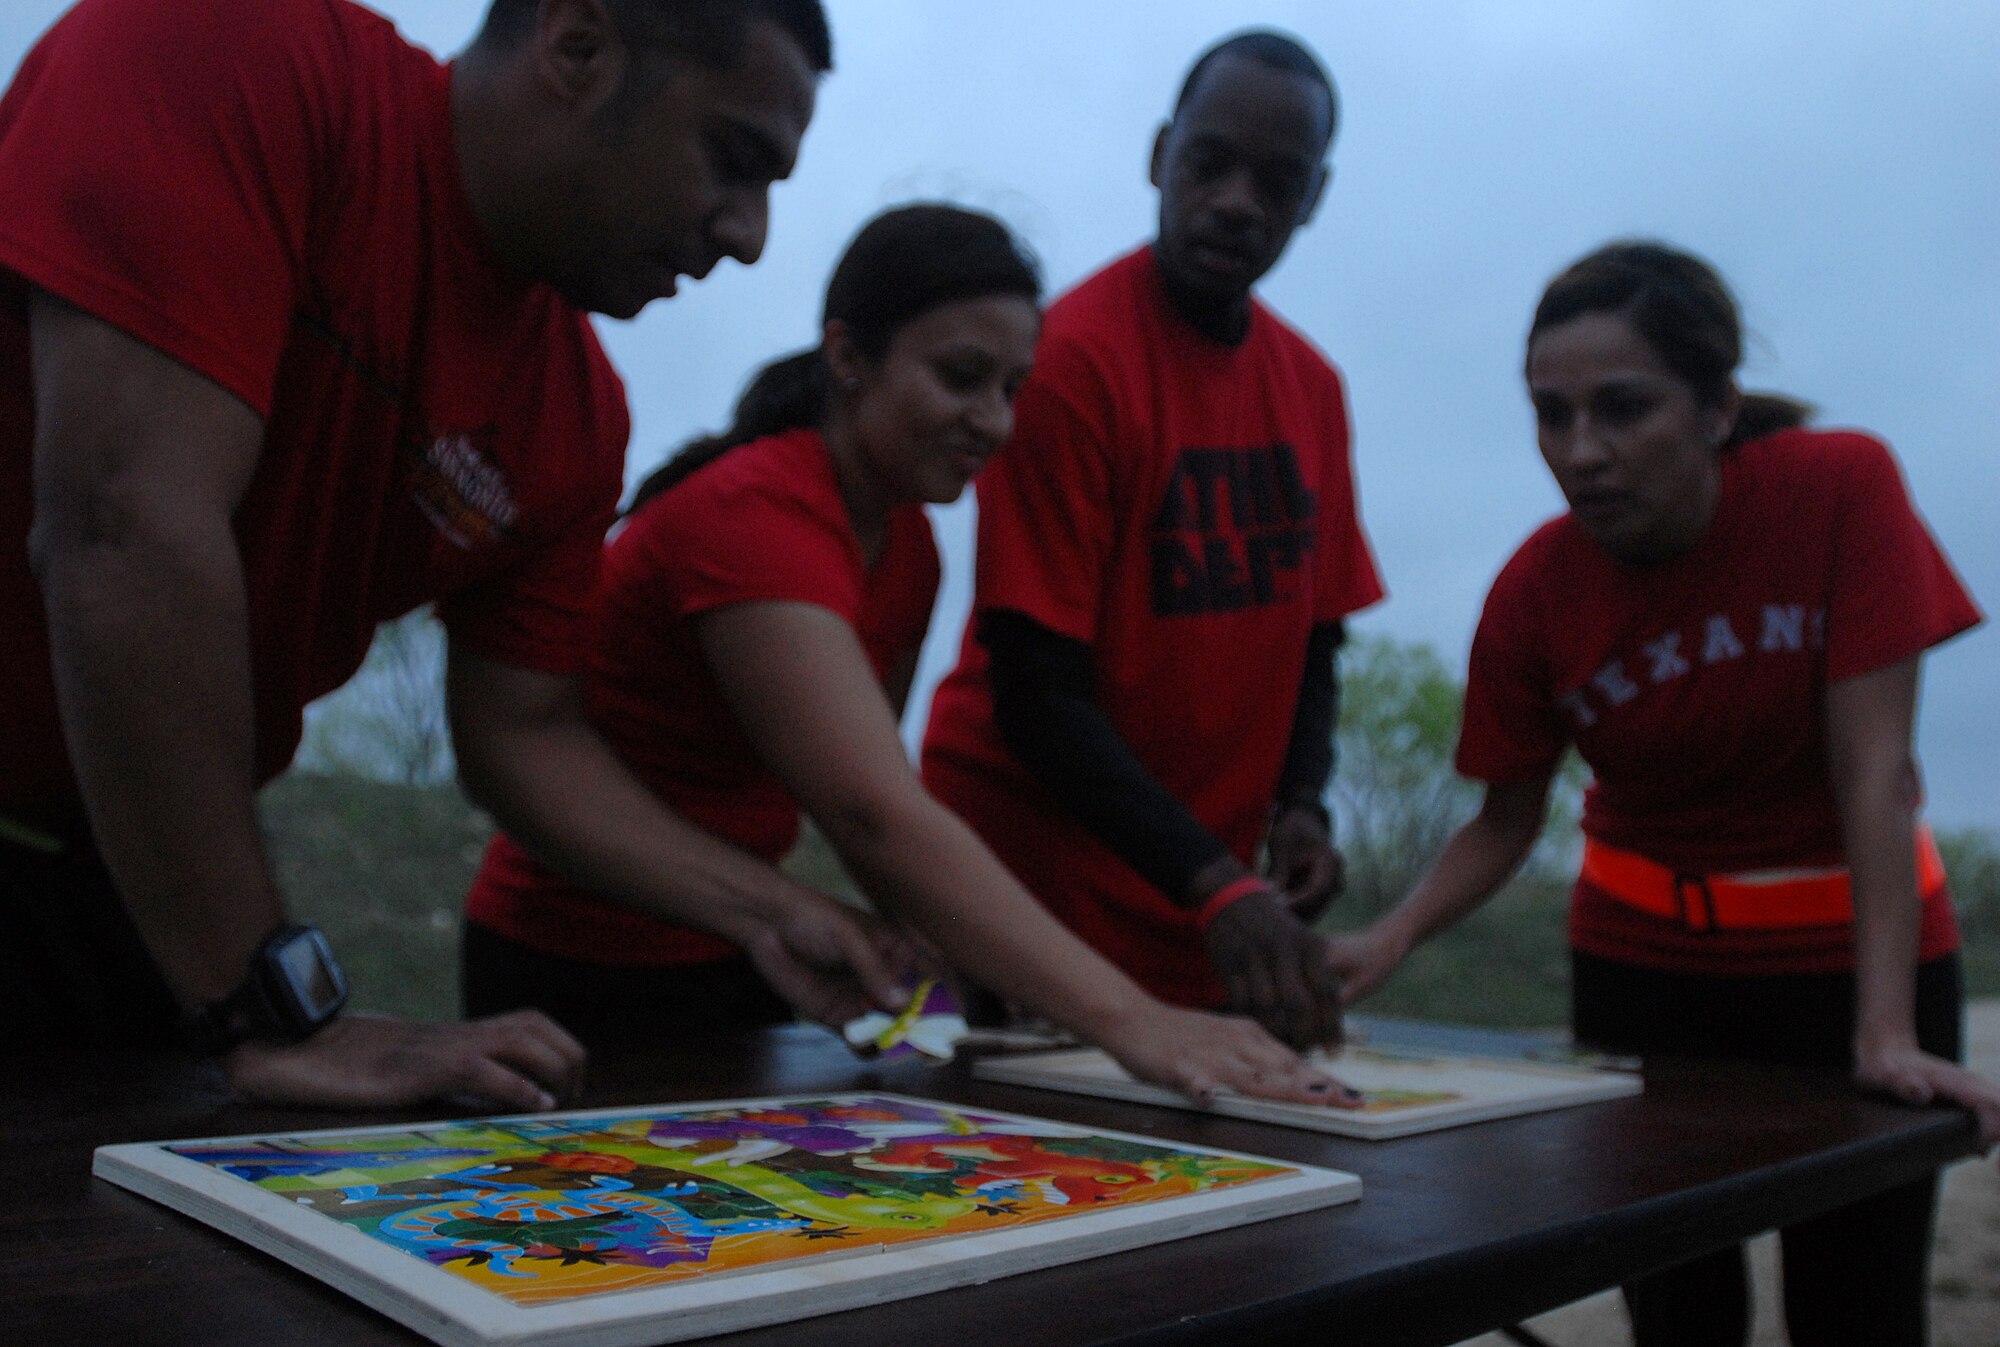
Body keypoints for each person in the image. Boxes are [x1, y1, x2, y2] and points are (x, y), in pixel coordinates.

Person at [0, 0, 917, 1113]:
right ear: (576, 47)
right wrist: (274, 1009)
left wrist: (771, 911)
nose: (750, 234)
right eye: (733, 159)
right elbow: (122, 523)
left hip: (125, 885)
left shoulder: (575, 420)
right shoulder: (228, 47)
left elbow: (524, 739)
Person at [463, 203, 1351, 1107]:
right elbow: (874, 816)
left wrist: (923, 952)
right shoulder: (755, 515)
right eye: (963, 377)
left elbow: (866, 804)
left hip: (738, 950)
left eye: (1012, 388)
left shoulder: (911, 551)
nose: (994, 422)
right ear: (849, 357)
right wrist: (1131, 1018)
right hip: (568, 959)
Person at [1325, 240, 2000, 1347]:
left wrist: (1881, 1035)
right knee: (1678, 1310)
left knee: (1859, 1310)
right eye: (1550, 414)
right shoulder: (1533, 593)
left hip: (1854, 964)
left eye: (1622, 408)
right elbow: (1503, 820)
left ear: (1717, 405)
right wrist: (1386, 938)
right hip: (1645, 981)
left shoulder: (1838, 488)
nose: (1580, 451)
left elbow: (1873, 772)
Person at [920, 31, 1384, 1050]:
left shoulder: (1312, 387)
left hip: (1189, 898)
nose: (1234, 200)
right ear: (1157, 156)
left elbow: (1315, 635)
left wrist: (1301, 805)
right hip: (1025, 888)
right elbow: (1035, 689)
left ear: (1312, 198)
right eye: (1208, 162)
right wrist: (1217, 885)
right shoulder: (1071, 360)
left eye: (1278, 179)